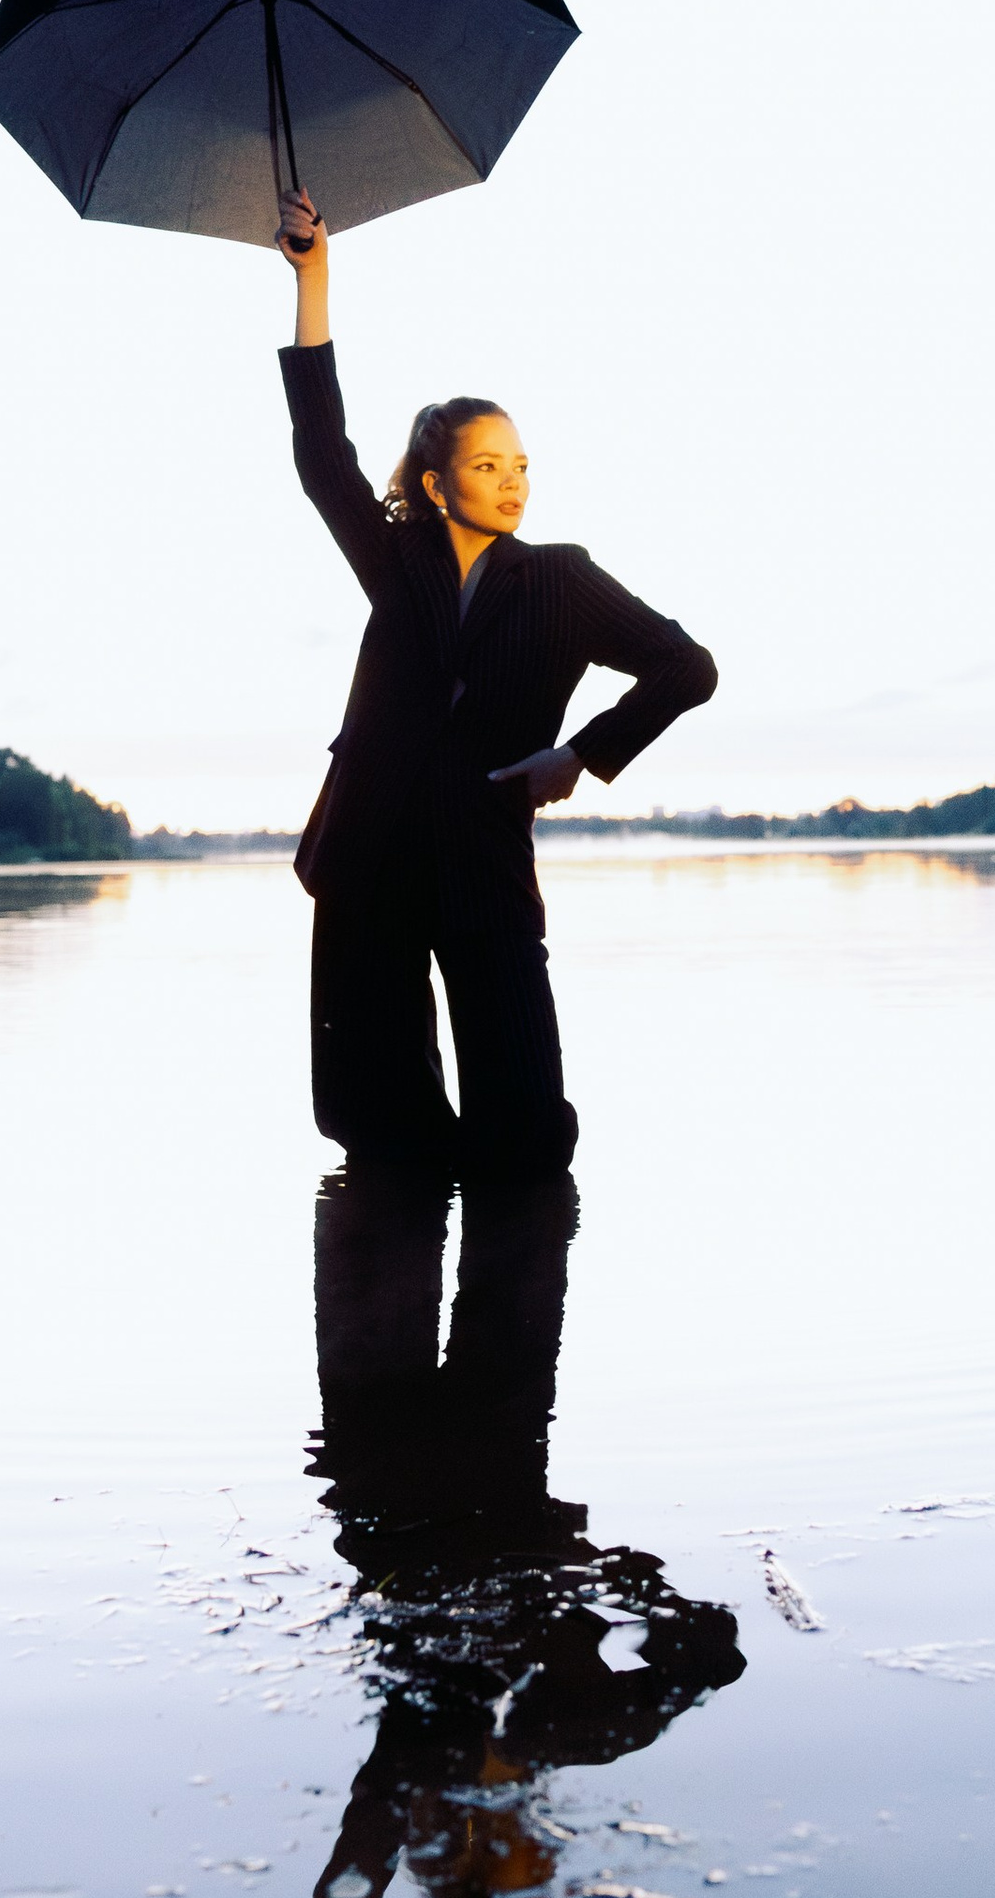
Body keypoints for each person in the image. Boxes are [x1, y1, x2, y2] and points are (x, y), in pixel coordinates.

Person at [275, 186, 715, 1176]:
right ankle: (379, 1309)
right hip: (369, 869)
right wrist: (315, 280)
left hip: (484, 869)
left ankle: (508, 1317)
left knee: (524, 1140)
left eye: (520, 462)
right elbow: (320, 458)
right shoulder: (397, 562)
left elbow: (687, 667)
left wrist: (581, 753)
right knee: (382, 1139)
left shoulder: (562, 581)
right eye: (487, 464)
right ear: (437, 484)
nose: (514, 480)